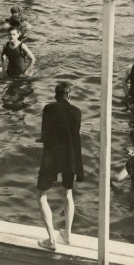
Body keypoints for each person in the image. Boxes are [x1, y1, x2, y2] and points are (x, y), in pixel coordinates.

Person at [36, 81, 84, 251]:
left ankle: (51, 241)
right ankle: (68, 235)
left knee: (42, 195)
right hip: (70, 157)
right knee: (68, 193)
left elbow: (45, 134)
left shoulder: (48, 109)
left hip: (52, 155)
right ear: (69, 95)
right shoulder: (77, 112)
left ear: (56, 95)